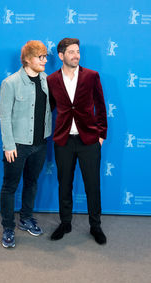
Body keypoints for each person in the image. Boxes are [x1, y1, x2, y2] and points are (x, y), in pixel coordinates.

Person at [47, 38, 107, 244]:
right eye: (71, 52)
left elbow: (101, 105)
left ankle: (95, 226)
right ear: (61, 56)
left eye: (78, 51)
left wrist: (101, 135)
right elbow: (49, 108)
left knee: (93, 185)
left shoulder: (91, 76)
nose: (76, 55)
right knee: (64, 184)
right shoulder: (51, 80)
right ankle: (65, 223)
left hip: (89, 140)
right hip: (63, 141)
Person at [0, 40, 52, 248]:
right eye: (41, 57)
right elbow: (4, 116)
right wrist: (8, 145)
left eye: (46, 56)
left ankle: (26, 219)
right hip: (17, 146)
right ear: (28, 59)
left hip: (40, 144)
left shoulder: (47, 80)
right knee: (10, 187)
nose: (45, 61)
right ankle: (8, 228)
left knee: (32, 182)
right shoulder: (10, 83)